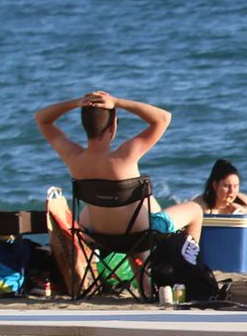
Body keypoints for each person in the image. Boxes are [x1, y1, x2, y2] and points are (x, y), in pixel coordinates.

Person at [34, 91, 204, 242]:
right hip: (142, 236)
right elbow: (163, 117)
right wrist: (117, 101)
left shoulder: (73, 157)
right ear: (113, 125)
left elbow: (42, 119)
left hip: (100, 236)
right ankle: (190, 266)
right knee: (195, 209)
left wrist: (78, 102)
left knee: (131, 207)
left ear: (84, 126)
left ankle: (143, 279)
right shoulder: (125, 156)